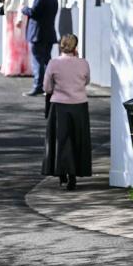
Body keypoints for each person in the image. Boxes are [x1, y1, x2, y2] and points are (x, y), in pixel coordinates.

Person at [41, 34, 91, 190]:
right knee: (77, 140)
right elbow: (87, 81)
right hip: (79, 105)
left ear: (60, 46)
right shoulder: (83, 63)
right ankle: (74, 175)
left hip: (59, 105)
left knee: (60, 140)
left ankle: (61, 172)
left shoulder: (53, 63)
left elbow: (47, 87)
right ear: (75, 47)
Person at [21, 0, 58, 97]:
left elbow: (34, 12)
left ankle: (38, 86)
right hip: (49, 34)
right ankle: (51, 85)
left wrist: (24, 9)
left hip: (38, 34)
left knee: (37, 61)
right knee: (47, 60)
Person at [0, 0, 32, 77]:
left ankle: (18, 67)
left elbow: (24, 1)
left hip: (17, 15)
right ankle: (10, 66)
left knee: (18, 43)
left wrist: (20, 17)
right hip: (9, 14)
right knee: (9, 43)